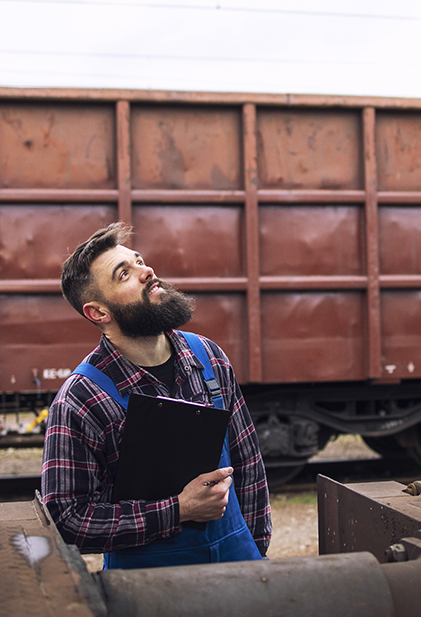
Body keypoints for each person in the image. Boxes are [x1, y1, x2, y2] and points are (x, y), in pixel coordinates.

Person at [40, 222, 271, 568]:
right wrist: (178, 511)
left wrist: (256, 555)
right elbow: (67, 519)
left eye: (139, 261)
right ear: (98, 312)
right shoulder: (82, 398)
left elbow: (248, 465)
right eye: (124, 274)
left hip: (239, 569)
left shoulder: (209, 358)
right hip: (147, 590)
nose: (146, 271)